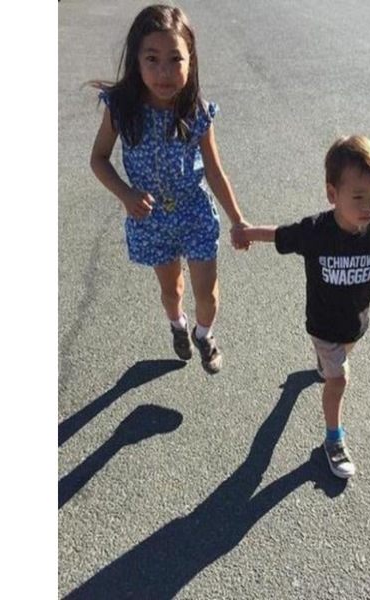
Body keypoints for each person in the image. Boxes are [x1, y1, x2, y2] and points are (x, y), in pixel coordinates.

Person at [235, 135, 370, 478]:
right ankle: (333, 440)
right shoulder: (317, 231)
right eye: (359, 197)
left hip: (354, 326)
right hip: (322, 326)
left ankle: (322, 367)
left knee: (337, 362)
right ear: (333, 195)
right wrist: (246, 232)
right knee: (338, 379)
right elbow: (280, 235)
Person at [90, 4, 249, 374]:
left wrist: (238, 219)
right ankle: (178, 325)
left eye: (174, 59)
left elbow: (214, 170)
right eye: (152, 58)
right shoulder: (121, 108)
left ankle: (204, 334)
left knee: (206, 293)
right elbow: (98, 158)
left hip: (194, 213)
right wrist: (127, 194)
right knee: (172, 290)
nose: (164, 72)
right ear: (137, 60)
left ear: (190, 60)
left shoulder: (196, 110)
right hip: (151, 218)